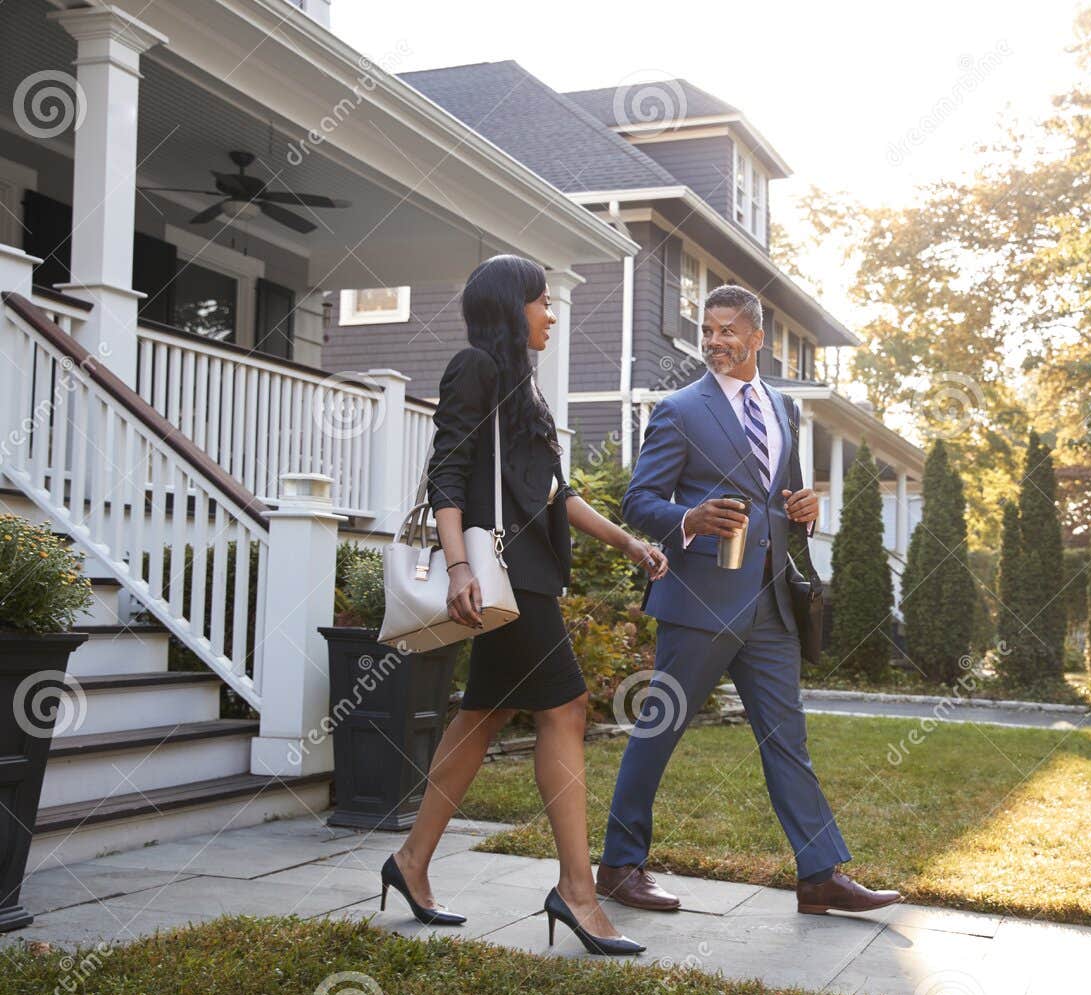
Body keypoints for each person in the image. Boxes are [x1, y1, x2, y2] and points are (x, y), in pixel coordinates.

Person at [378, 254, 668, 957]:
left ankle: (412, 861)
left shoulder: (524, 390)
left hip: (526, 577)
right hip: (501, 577)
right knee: (564, 708)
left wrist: (627, 542)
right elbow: (445, 473)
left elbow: (553, 496)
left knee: (479, 720)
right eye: (542, 302)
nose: (552, 314)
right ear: (512, 308)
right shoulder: (473, 367)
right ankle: (575, 890)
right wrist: (455, 566)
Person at [597, 284, 903, 917]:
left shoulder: (784, 410)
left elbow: (783, 500)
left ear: (758, 338)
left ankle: (820, 874)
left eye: (729, 331)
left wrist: (807, 510)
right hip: (699, 600)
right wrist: (690, 518)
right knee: (659, 731)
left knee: (787, 738)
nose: (716, 342)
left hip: (771, 601)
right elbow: (638, 503)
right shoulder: (681, 410)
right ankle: (619, 866)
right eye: (708, 331)